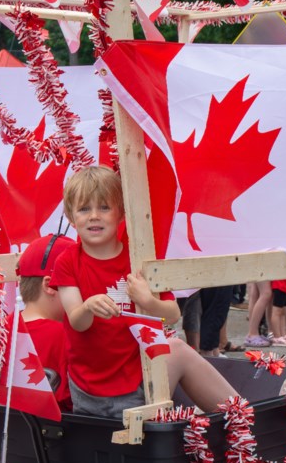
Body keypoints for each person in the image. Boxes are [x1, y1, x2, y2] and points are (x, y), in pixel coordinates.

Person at [51, 166, 238, 418]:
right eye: (84, 209)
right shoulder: (67, 260)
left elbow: (172, 315)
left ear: (121, 214)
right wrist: (88, 306)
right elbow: (77, 321)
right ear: (72, 218)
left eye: (104, 207)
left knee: (177, 348)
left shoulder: (140, 258)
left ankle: (242, 419)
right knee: (178, 349)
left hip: (139, 384)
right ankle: (240, 416)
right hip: (90, 394)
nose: (94, 216)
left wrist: (147, 300)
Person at [17, 233, 74, 410]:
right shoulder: (64, 336)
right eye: (77, 286)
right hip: (50, 434)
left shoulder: (1, 329)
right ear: (49, 286)